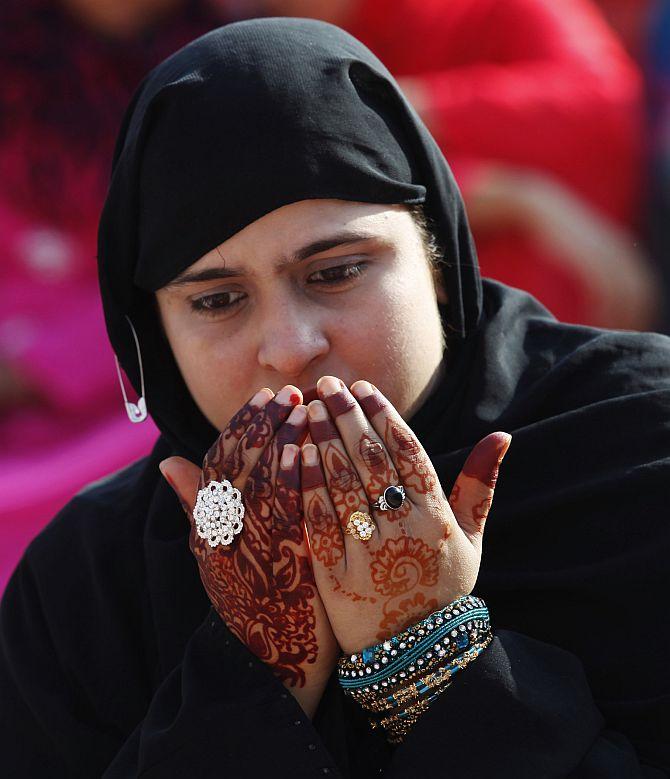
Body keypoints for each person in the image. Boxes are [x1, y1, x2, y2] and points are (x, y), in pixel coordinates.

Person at [1, 18, 669, 777]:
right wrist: (260, 666)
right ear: (152, 335)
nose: (289, 346)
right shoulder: (90, 589)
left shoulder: (638, 451)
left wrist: (427, 656)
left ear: (439, 259)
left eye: (337, 271)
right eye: (217, 301)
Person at [225, 0, 659, 330]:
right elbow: (329, 181)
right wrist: (518, 198)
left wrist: (406, 102)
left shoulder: (498, 10)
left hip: (554, 303)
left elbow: (601, 106)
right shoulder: (264, 39)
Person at [0, 0, 225, 591]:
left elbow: (214, 257)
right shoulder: (15, 50)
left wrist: (40, 365)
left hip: (142, 381)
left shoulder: (223, 63)